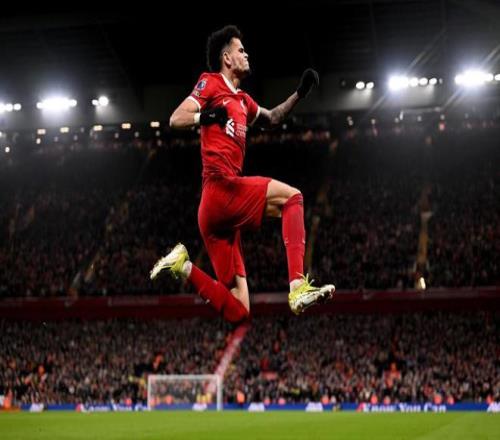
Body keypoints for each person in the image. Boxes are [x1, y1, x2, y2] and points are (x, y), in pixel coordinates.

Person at [150, 25, 334, 322]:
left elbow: (272, 117)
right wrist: (206, 116)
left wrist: (300, 93)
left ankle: (183, 266)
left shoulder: (243, 101)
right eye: (241, 50)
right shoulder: (210, 82)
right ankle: (297, 287)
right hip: (220, 188)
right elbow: (176, 118)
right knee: (293, 199)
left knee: (240, 311)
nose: (247, 55)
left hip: (215, 215)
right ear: (227, 58)